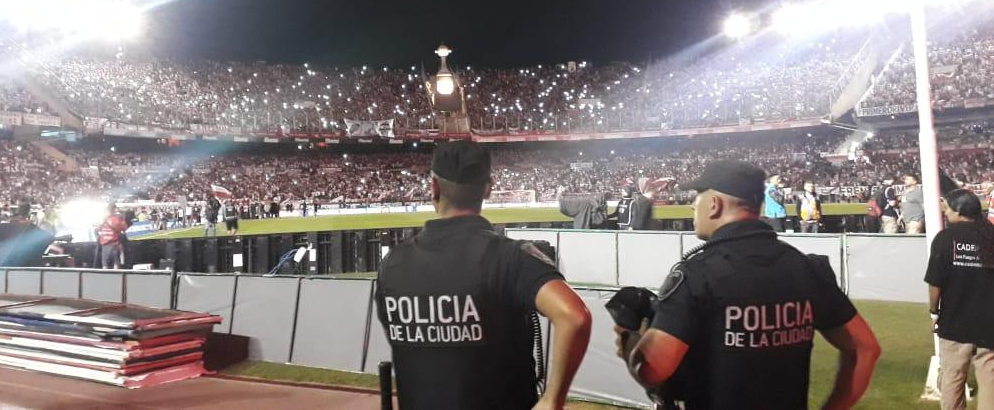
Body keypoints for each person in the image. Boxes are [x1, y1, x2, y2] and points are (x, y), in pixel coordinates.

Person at [614, 160, 881, 409]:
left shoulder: (697, 275)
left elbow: (651, 369)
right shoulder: (806, 267)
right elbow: (864, 347)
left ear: (714, 204)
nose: (693, 207)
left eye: (697, 198)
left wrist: (629, 338)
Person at [376, 141, 592, 410]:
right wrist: (552, 400)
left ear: (433, 187)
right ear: (489, 188)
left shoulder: (392, 264)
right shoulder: (512, 257)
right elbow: (574, 316)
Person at [924, 188, 994, 410]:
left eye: (947, 208)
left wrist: (934, 310)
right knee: (990, 380)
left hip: (954, 320)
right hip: (989, 321)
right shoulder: (991, 235)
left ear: (959, 210)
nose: (945, 213)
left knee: (952, 379)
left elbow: (935, 283)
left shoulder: (945, 239)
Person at [97, 205, 128, 270]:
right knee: (116, 264)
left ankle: (105, 278)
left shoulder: (103, 219)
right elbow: (125, 229)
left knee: (105, 266)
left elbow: (98, 229)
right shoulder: (118, 219)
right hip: (115, 244)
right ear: (115, 210)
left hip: (104, 245)